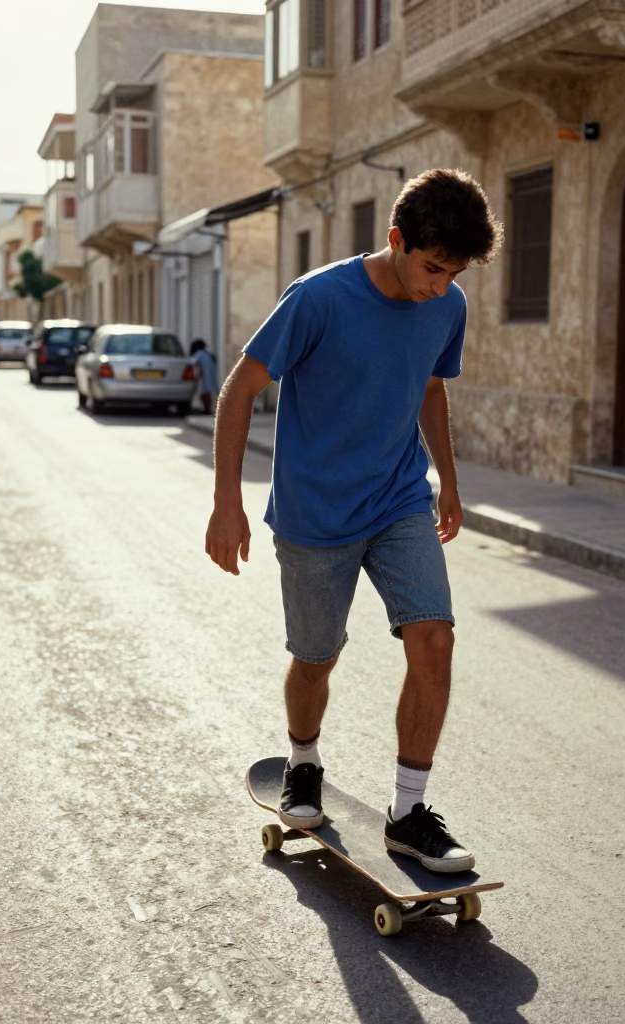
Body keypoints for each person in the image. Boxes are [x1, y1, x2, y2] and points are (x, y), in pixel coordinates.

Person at [205, 168, 502, 873]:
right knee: (316, 658)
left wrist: (450, 480)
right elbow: (240, 388)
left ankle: (408, 813)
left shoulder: (447, 305)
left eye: (453, 272)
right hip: (315, 512)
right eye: (432, 267)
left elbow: (431, 387)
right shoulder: (319, 299)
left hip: (400, 499)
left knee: (434, 639)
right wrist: (227, 501)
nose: (439, 285)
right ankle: (303, 762)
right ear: (396, 240)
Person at [189, 339, 217, 415]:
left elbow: (191, 362)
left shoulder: (199, 354)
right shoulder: (207, 354)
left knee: (204, 394)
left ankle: (207, 409)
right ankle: (208, 409)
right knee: (207, 393)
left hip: (204, 377)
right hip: (209, 376)